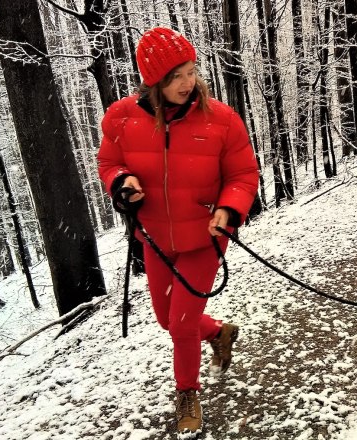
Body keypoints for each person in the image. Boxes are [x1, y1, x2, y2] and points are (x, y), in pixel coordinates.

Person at [97, 27, 259, 435]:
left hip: (204, 237)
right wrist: (122, 181)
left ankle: (187, 393)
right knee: (167, 320)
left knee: (182, 324)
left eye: (191, 71)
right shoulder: (122, 119)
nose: (188, 83)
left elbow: (243, 174)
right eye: (176, 76)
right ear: (154, 82)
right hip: (154, 237)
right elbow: (109, 163)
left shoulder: (221, 120)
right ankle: (220, 332)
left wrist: (228, 207)